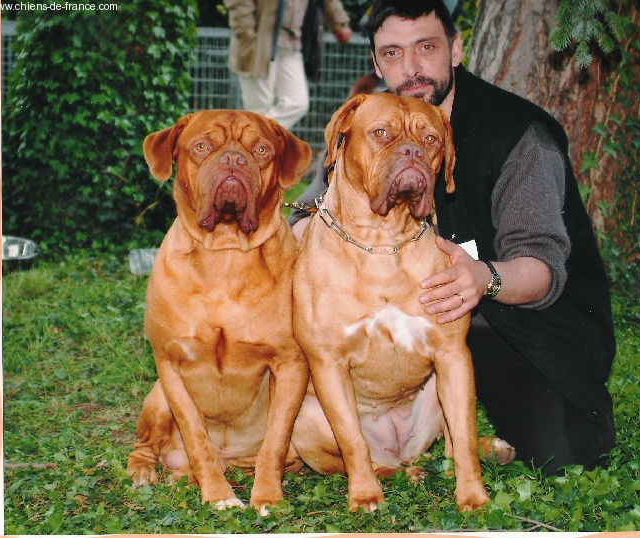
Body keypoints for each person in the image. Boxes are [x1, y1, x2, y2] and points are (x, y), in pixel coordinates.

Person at [289, 0, 616, 475]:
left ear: (456, 48)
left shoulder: (519, 134)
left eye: (426, 47)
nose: (412, 67)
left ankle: (463, 430)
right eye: (394, 54)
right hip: (414, 323)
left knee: (564, 451)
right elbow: (308, 210)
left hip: (519, 320)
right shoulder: (369, 125)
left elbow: (542, 265)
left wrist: (485, 279)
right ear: (377, 64)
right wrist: (315, 244)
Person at [225, 0, 353, 129]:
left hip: (291, 43)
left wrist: (339, 23)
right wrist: (246, 35)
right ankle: (252, 138)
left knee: (297, 103)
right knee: (259, 105)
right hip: (258, 42)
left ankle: (250, 135)